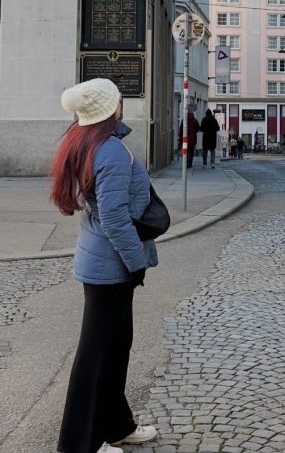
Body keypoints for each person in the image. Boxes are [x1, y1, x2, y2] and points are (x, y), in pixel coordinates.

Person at [50, 77, 158, 453]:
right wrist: (136, 262)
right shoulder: (109, 151)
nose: (122, 103)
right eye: (119, 100)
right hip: (110, 267)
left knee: (114, 349)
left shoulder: (86, 143)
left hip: (104, 264)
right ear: (112, 108)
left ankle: (117, 426)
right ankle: (81, 443)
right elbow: (113, 217)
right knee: (95, 357)